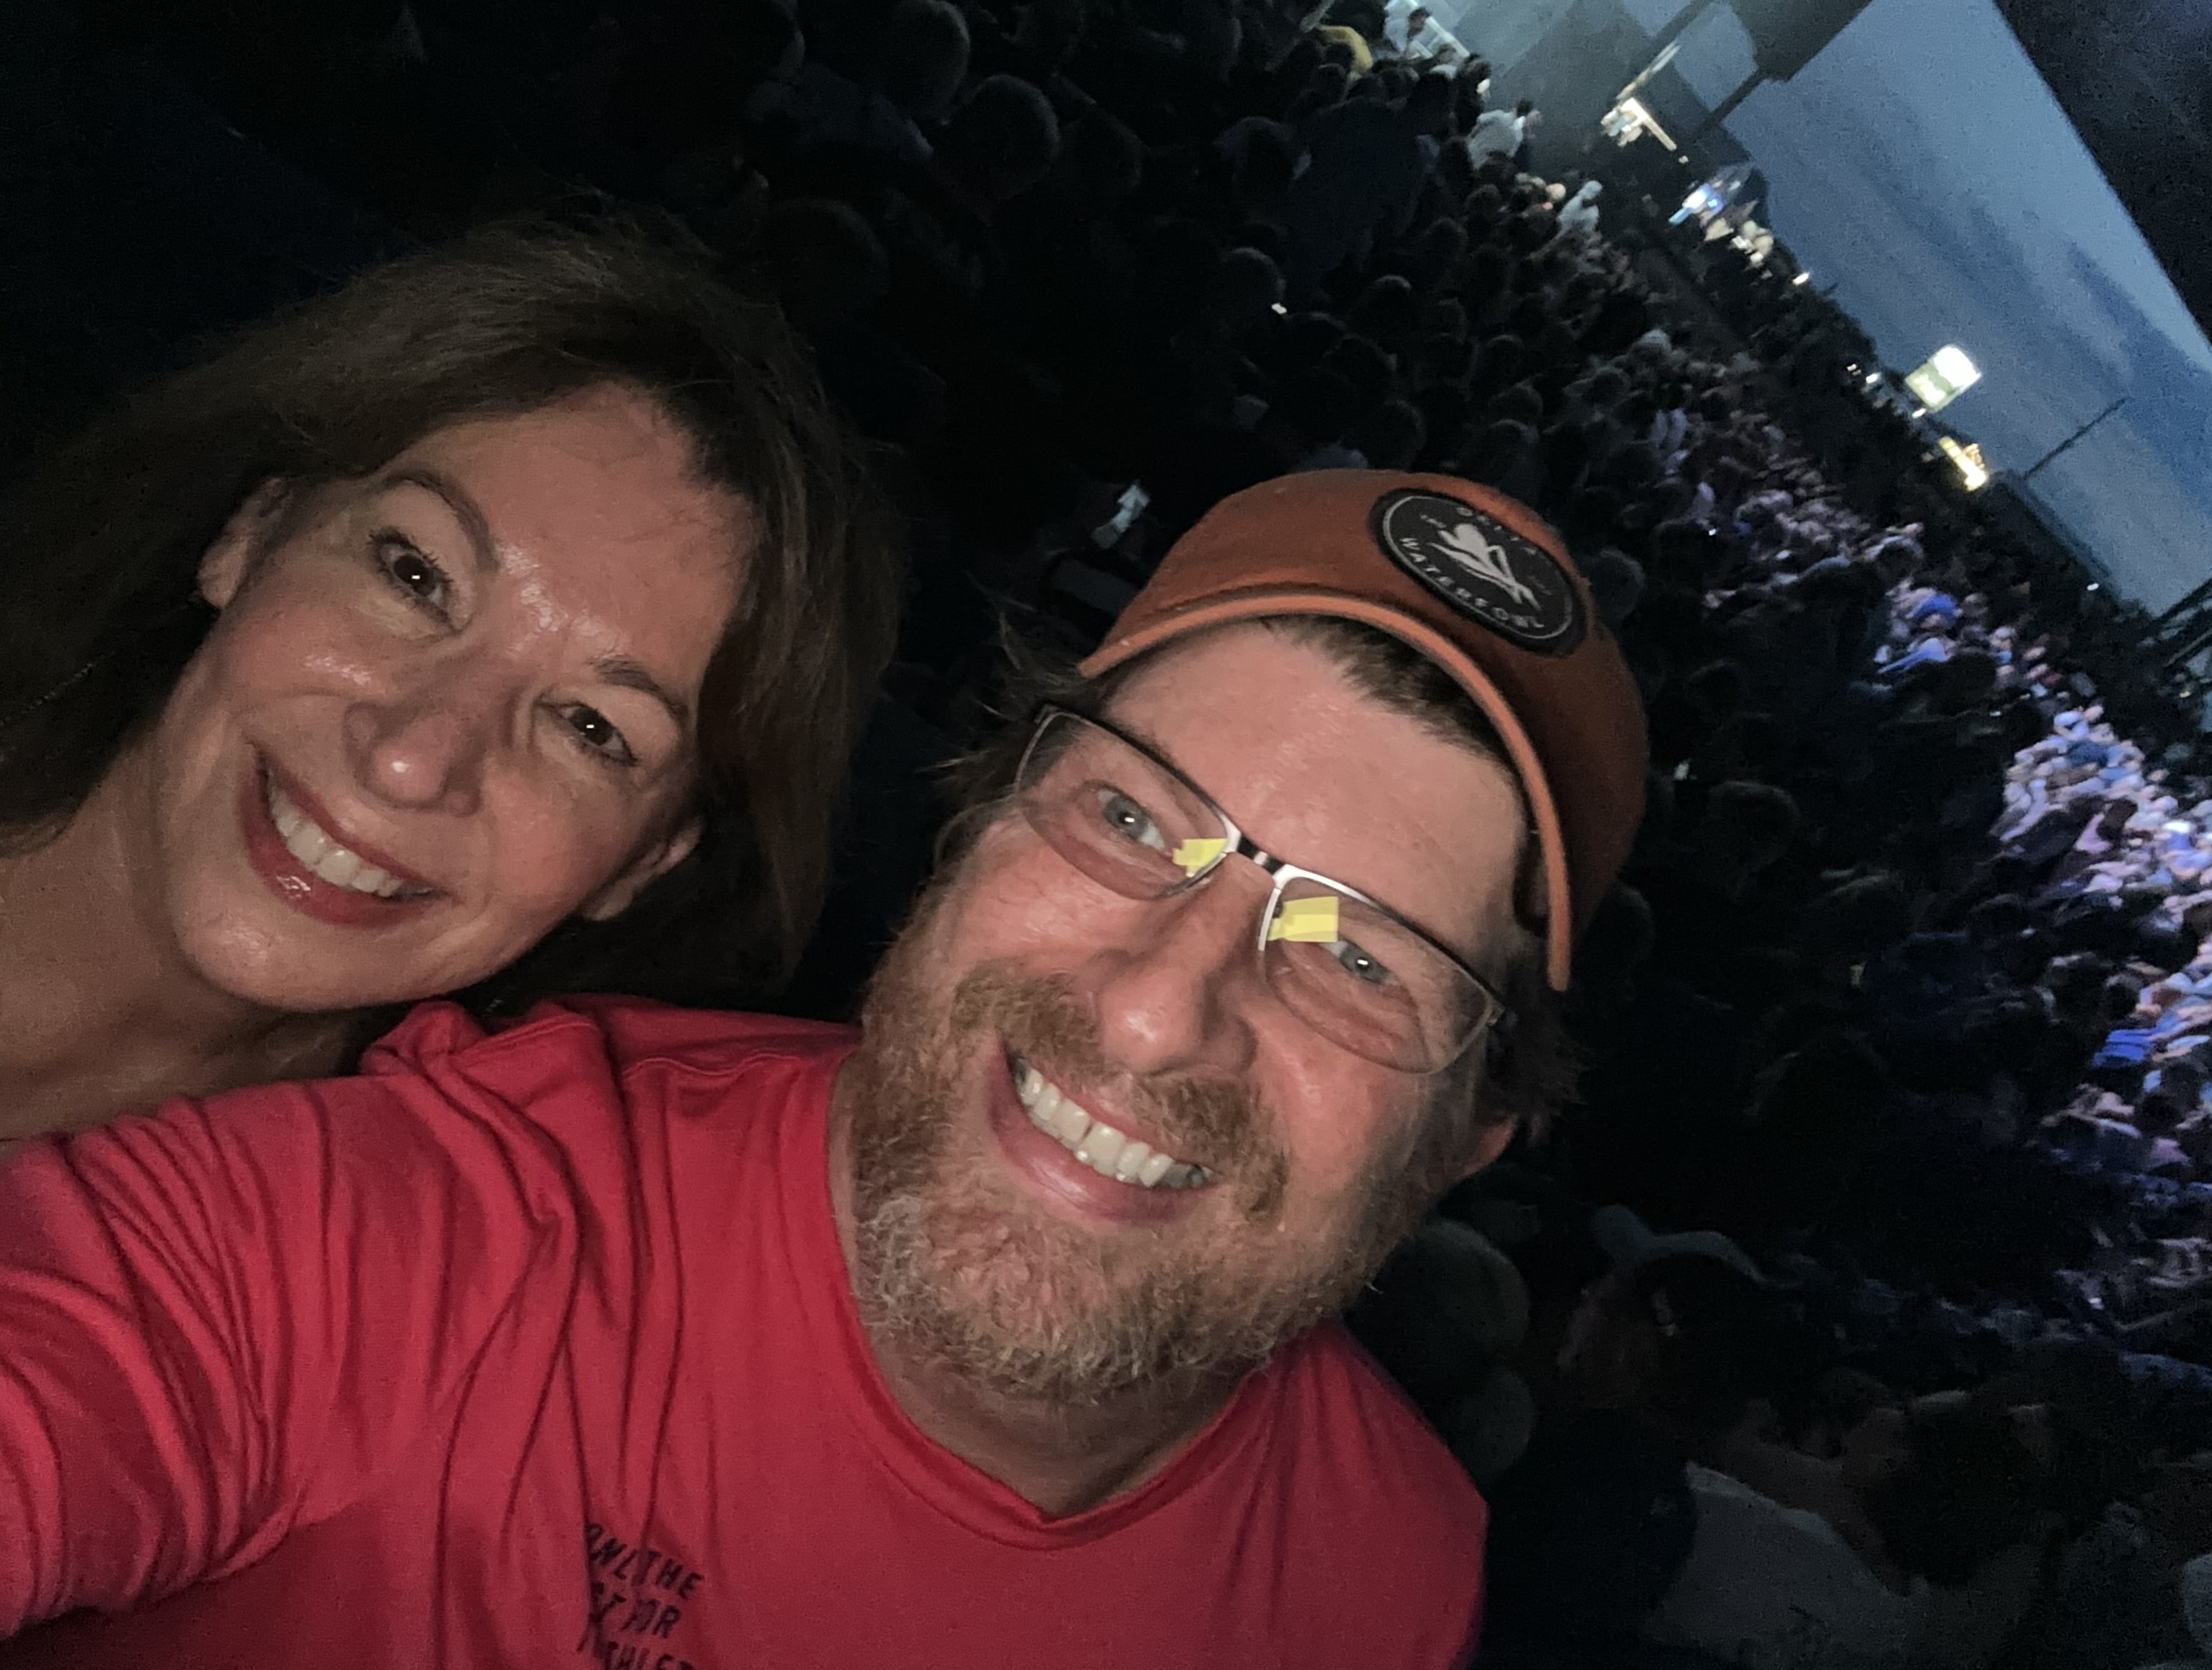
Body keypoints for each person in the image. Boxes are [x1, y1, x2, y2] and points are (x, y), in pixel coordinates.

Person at [0, 470, 1649, 1666]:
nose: (1160, 1014)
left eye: (1359, 956)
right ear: (975, 823)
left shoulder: (1388, 1576)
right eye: (1131, 816)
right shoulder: (435, 1224)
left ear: (1465, 1137)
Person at [0, 221, 898, 1142]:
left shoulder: (424, 1205)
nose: (410, 762)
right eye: (416, 577)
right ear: (252, 529)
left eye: (590, 727)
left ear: (645, 862)